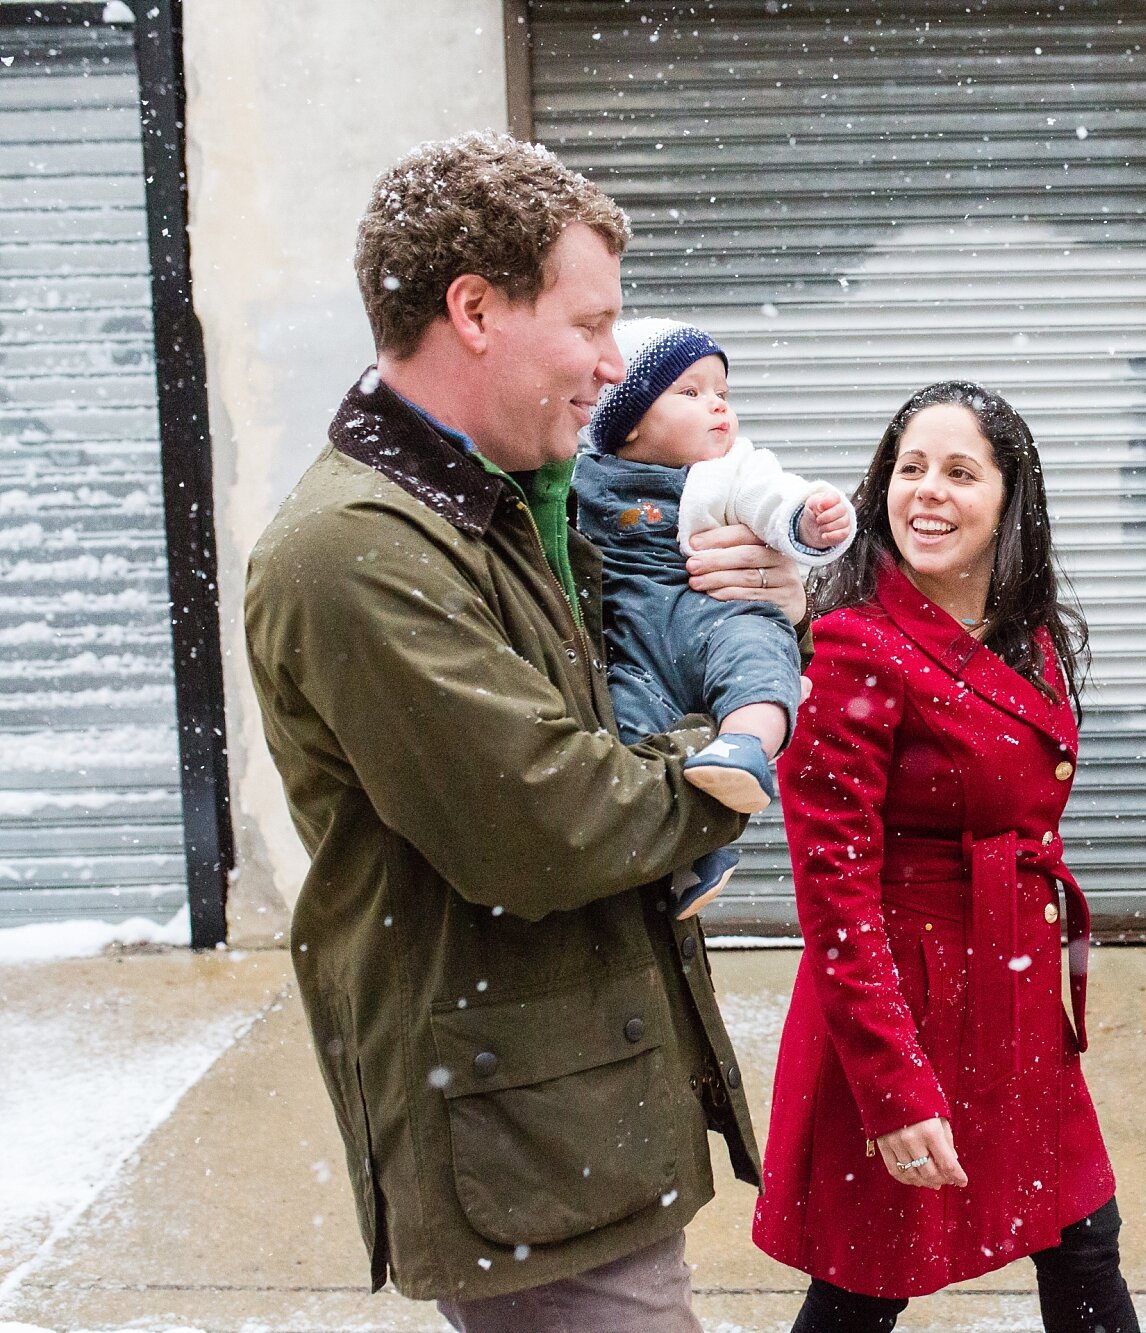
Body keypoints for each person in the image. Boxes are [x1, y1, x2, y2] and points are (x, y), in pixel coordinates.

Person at [243, 131, 807, 1332]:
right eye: (591, 324)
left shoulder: (509, 501)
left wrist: (761, 614)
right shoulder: (358, 554)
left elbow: (627, 691)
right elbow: (548, 820)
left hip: (566, 1103)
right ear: (475, 308)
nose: (616, 367)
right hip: (521, 1136)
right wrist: (735, 746)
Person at [752, 382, 1142, 1332]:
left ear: (1011, 499)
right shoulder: (852, 649)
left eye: (960, 472)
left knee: (1084, 1239)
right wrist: (892, 1087)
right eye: (909, 468)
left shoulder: (1028, 636)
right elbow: (833, 893)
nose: (926, 492)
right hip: (906, 1009)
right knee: (861, 1286)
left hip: (1013, 997)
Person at [574, 320, 855, 915]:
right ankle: (699, 850)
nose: (718, 409)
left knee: (758, 659)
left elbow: (773, 499)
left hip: (715, 613)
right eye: (691, 393)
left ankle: (745, 746)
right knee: (631, 729)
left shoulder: (730, 470)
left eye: (722, 394)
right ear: (628, 421)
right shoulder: (583, 478)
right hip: (632, 641)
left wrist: (807, 520)